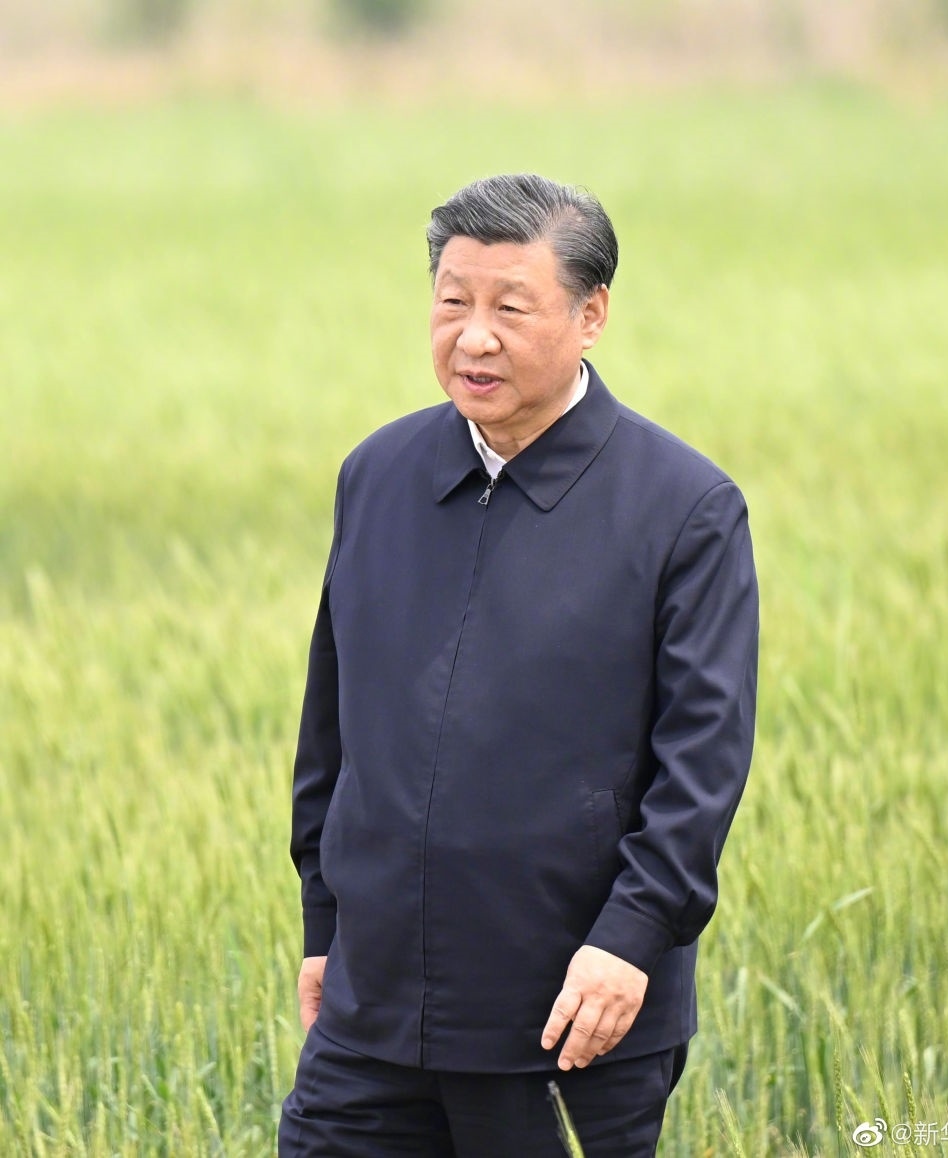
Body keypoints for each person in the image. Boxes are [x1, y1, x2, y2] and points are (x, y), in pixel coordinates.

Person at [278, 173, 758, 1158]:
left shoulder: (683, 508)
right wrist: (324, 923)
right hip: (370, 1016)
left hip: (569, 1019)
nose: (473, 337)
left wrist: (631, 940)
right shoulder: (378, 475)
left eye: (510, 307)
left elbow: (703, 763)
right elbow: (333, 725)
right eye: (452, 301)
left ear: (592, 316)